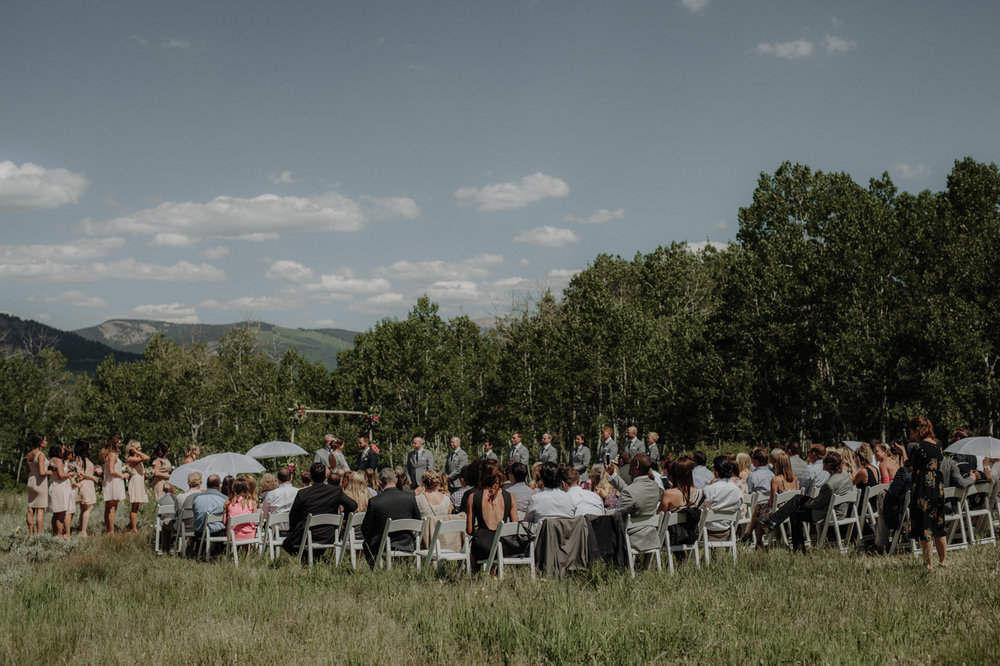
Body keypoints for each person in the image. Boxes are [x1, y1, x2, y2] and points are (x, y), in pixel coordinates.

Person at [782, 451, 852, 553]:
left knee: (795, 514)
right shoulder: (844, 474)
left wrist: (808, 503)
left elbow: (817, 504)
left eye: (823, 462)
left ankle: (799, 548)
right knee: (798, 499)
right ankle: (775, 520)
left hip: (829, 513)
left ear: (828, 465)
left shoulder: (829, 484)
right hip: (841, 510)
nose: (822, 464)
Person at [901, 416, 946, 572]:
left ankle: (929, 564)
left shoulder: (918, 447)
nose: (911, 436)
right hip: (937, 487)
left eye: (912, 432)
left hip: (923, 488)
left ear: (917, 430)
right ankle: (943, 561)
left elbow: (908, 467)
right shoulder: (938, 445)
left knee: (925, 526)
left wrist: (902, 452)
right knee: (938, 525)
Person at [283, 465, 359, 558]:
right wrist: (343, 518)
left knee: (287, 544)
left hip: (308, 534)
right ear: (325, 476)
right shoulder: (335, 491)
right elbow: (353, 505)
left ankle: (307, 558)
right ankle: (316, 558)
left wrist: (293, 531)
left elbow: (293, 515)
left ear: (311, 476)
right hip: (331, 534)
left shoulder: (303, 493)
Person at [361, 467, 421, 566]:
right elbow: (418, 521)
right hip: (407, 543)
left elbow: (366, 529)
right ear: (396, 480)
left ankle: (375, 571)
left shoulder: (375, 501)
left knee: (366, 543)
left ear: (380, 482)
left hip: (383, 544)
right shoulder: (410, 497)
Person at [465, 459, 518, 569]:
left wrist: (478, 529)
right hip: (504, 546)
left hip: (484, 546)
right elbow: (515, 527)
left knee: (474, 548)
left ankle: (474, 578)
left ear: (482, 475)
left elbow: (469, 530)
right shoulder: (510, 497)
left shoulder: (473, 497)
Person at [750, 451, 799, 547]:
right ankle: (774, 539)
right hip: (792, 512)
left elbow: (772, 502)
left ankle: (757, 541)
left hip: (778, 513)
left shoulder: (776, 480)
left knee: (758, 511)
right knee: (759, 509)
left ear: (778, 464)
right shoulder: (795, 480)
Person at [700, 454, 745, 538]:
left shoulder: (709, 490)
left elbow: (701, 508)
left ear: (716, 472)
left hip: (708, 529)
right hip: (727, 528)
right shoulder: (737, 490)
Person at [47, 442, 75, 539]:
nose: (64, 451)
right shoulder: (58, 461)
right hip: (60, 487)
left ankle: (55, 533)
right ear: (58, 450)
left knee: (56, 512)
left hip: (54, 485)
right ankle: (58, 535)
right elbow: (62, 476)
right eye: (63, 449)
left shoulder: (51, 460)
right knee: (60, 512)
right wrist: (70, 474)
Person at [100, 435, 127, 534]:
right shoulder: (112, 455)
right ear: (115, 444)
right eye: (119, 442)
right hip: (113, 482)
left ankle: (108, 529)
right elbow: (112, 471)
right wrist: (122, 475)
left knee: (108, 507)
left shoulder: (109, 454)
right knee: (112, 508)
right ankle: (110, 531)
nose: (120, 444)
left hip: (110, 481)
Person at [25, 433, 50, 537]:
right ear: (40, 442)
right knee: (40, 508)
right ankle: (39, 535)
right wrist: (51, 472)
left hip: (30, 481)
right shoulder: (41, 454)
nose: (46, 442)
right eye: (45, 440)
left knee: (31, 507)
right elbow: (42, 472)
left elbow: (27, 471)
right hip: (40, 483)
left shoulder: (29, 454)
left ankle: (31, 534)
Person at [192, 474, 227, 546]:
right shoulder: (224, 499)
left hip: (200, 532)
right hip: (217, 533)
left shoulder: (197, 498)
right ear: (219, 485)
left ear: (206, 484)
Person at [74, 439, 98, 536]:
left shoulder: (84, 458)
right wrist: (91, 477)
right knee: (89, 507)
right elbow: (78, 473)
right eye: (89, 446)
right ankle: (83, 531)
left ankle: (81, 530)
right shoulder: (78, 458)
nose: (90, 448)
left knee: (84, 508)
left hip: (88, 484)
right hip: (84, 484)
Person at [124, 440, 149, 533]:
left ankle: (133, 527)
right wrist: (136, 452)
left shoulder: (137, 458)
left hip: (140, 481)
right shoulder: (131, 458)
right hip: (136, 481)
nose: (140, 449)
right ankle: (133, 528)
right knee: (134, 505)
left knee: (137, 505)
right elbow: (146, 457)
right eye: (138, 447)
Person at [223, 476, 258, 542]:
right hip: (249, 535)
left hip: (232, 536)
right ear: (246, 489)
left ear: (234, 488)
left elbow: (225, 522)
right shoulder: (252, 502)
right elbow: (254, 522)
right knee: (248, 530)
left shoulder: (228, 502)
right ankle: (248, 552)